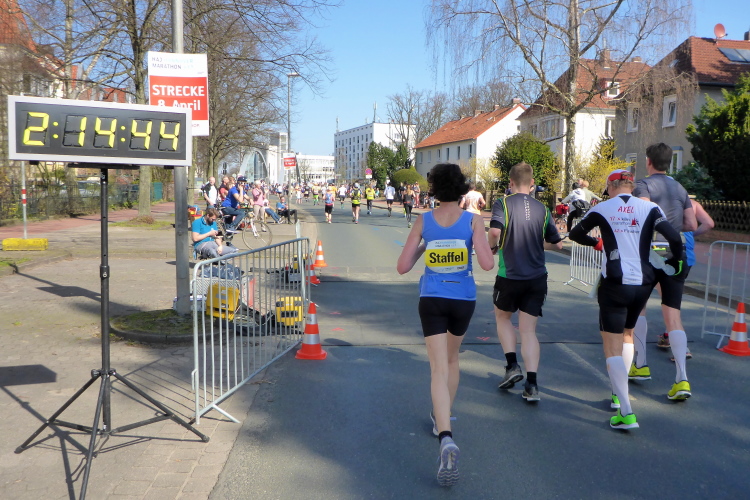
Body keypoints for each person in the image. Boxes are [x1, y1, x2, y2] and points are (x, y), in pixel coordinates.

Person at [396, 163, 494, 487]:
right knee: (452, 361)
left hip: (432, 299)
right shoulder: (473, 220)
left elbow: (402, 266)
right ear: (462, 187)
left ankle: (445, 435)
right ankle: (442, 419)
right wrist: (478, 243)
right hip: (463, 299)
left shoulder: (423, 220)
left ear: (434, 189)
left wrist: (426, 245)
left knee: (437, 368)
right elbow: (487, 263)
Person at [570, 169, 684, 429]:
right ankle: (620, 395)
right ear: (631, 186)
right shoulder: (650, 208)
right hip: (642, 283)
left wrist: (597, 244)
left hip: (614, 283)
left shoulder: (603, 208)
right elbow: (674, 237)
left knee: (611, 346)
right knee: (628, 334)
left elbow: (575, 234)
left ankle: (625, 410)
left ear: (611, 186)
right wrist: (676, 262)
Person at [487, 162, 563, 402]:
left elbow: (495, 232)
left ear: (510, 182)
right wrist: (537, 243)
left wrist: (492, 247)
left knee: (503, 318)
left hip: (510, 275)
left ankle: (512, 366)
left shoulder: (502, 203)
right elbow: (557, 244)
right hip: (537, 276)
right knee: (528, 330)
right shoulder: (543, 209)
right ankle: (532, 385)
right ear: (532, 184)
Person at [628, 143, 699, 400]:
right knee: (673, 317)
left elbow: (644, 214)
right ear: (669, 163)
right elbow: (692, 224)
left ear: (648, 161)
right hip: (675, 254)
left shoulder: (642, 186)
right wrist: (673, 229)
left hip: (648, 254)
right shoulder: (680, 188)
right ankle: (682, 379)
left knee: (639, 309)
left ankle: (641, 364)